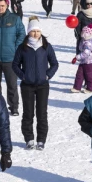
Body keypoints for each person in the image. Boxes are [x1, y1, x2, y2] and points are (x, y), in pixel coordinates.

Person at [12, 17, 59, 150]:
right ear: (28, 32)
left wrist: (48, 75)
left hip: (43, 85)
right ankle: (29, 139)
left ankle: (41, 140)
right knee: (28, 113)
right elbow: (15, 65)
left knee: (42, 113)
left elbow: (54, 63)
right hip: (27, 85)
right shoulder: (22, 47)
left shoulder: (46, 46)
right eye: (33, 31)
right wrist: (23, 76)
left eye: (38, 31)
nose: (36, 34)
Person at [71, 24, 92, 93]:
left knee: (89, 75)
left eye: (85, 34)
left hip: (89, 62)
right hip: (83, 61)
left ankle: (90, 88)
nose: (83, 35)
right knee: (79, 74)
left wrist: (77, 57)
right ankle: (77, 87)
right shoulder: (84, 40)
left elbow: (86, 53)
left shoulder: (88, 43)